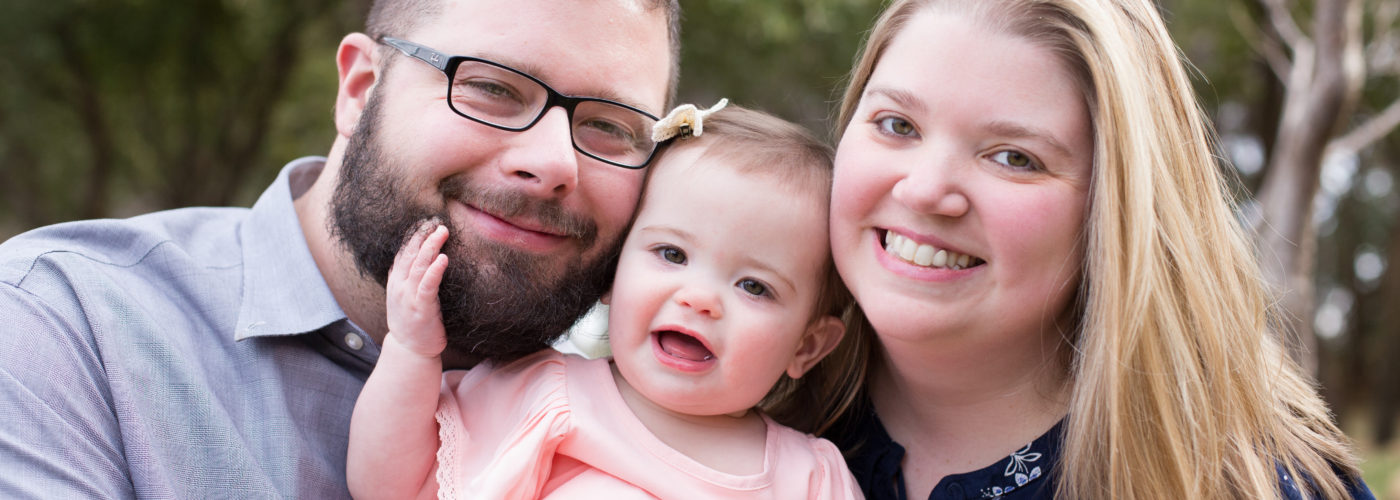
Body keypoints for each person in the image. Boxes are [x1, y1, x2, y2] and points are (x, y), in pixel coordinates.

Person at [0, 0, 679, 497]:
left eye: (613, 128)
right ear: (360, 90)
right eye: (493, 88)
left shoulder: (666, 434)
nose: (555, 162)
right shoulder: (63, 327)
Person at [802, 0, 1377, 498]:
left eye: (1014, 157)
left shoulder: (1260, 482)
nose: (925, 190)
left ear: (1116, 209)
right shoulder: (740, 392)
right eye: (897, 124)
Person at [347, 104, 864, 499]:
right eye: (671, 253)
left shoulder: (812, 478)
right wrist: (412, 350)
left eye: (755, 286)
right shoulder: (545, 394)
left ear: (808, 345)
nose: (700, 299)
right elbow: (392, 486)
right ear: (613, 272)